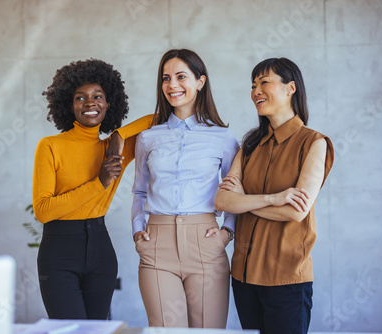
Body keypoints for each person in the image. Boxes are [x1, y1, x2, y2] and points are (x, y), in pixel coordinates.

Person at [215, 57, 334, 334]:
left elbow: (295, 211)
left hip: (288, 280)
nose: (256, 90)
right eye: (253, 85)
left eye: (264, 82)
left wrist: (244, 200)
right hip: (243, 277)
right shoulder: (250, 144)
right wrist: (272, 198)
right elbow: (222, 201)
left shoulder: (315, 143)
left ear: (290, 88)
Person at [32, 59, 152, 320]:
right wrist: (99, 183)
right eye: (80, 97)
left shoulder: (113, 149)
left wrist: (119, 136)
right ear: (69, 104)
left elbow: (157, 118)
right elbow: (42, 211)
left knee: (99, 329)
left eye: (98, 96)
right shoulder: (50, 146)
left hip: (100, 250)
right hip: (58, 253)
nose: (90, 102)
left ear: (109, 104)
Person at [132, 49, 239, 328]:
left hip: (206, 243)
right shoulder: (148, 138)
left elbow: (235, 194)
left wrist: (227, 233)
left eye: (181, 77)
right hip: (157, 244)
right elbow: (139, 192)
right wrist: (137, 231)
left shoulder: (223, 138)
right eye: (166, 78)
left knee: (208, 332)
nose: (172, 85)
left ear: (200, 82)